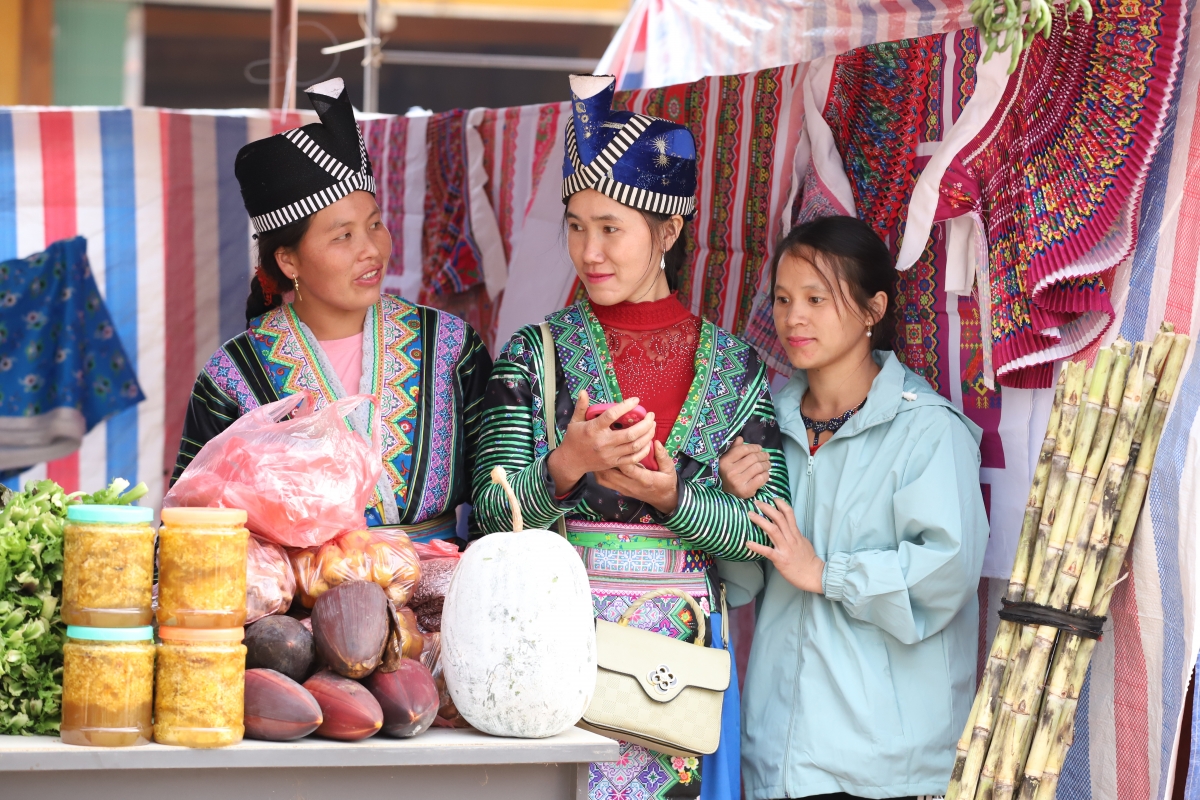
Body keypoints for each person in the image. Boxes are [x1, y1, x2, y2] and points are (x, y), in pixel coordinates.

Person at [472, 74, 790, 800]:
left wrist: (678, 498)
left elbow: (767, 534)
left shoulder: (735, 367)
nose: (590, 250)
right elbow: (489, 519)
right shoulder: (535, 352)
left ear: (669, 233)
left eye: (611, 228)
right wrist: (564, 465)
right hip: (552, 649)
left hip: (678, 664)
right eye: (577, 225)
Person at [729, 216, 989, 800]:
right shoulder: (767, 426)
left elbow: (945, 574)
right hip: (774, 755)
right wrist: (729, 506)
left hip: (881, 766)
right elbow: (741, 583)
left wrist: (826, 573)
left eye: (817, 299)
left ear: (873, 310)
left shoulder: (925, 430)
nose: (794, 317)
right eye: (784, 298)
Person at [173, 78, 491, 541]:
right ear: (288, 260)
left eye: (375, 225)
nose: (371, 250)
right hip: (294, 605)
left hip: (436, 597)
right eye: (343, 236)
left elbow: (499, 494)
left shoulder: (450, 347)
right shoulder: (232, 377)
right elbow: (193, 525)